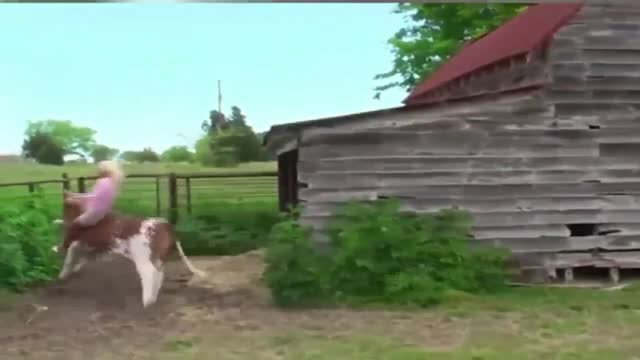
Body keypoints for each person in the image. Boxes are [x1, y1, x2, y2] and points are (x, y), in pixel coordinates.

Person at [61, 160, 125, 250]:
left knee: (74, 226)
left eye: (100, 170)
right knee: (75, 207)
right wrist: (75, 197)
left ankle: (64, 247)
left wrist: (73, 195)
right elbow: (97, 197)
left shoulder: (103, 181)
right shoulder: (112, 182)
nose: (98, 172)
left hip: (95, 212)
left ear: (104, 171)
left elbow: (92, 196)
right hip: (104, 211)